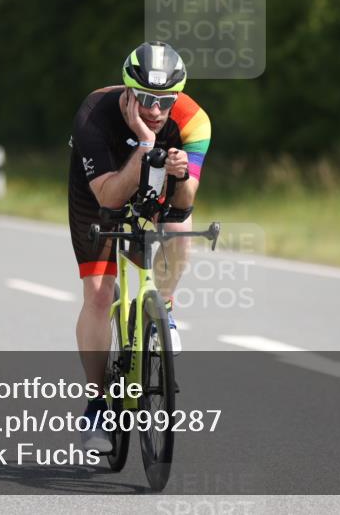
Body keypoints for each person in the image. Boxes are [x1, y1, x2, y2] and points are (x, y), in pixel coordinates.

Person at [68, 41, 211, 451]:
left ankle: (163, 306)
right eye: (147, 98)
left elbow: (185, 203)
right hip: (98, 189)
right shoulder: (94, 114)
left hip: (155, 184)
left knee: (182, 225)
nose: (155, 109)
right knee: (97, 295)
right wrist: (147, 144)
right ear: (128, 91)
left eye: (166, 100)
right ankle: (97, 402)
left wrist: (181, 177)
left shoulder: (195, 122)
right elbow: (110, 198)